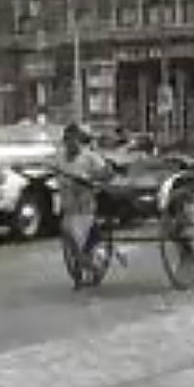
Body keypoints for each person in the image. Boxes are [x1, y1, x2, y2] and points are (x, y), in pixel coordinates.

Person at [55, 123, 112, 288]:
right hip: (68, 204)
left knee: (82, 239)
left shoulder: (89, 157)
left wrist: (90, 176)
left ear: (78, 140)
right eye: (67, 140)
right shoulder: (60, 157)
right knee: (68, 235)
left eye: (73, 139)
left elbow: (107, 171)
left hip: (85, 204)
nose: (70, 143)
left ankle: (90, 267)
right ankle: (80, 268)